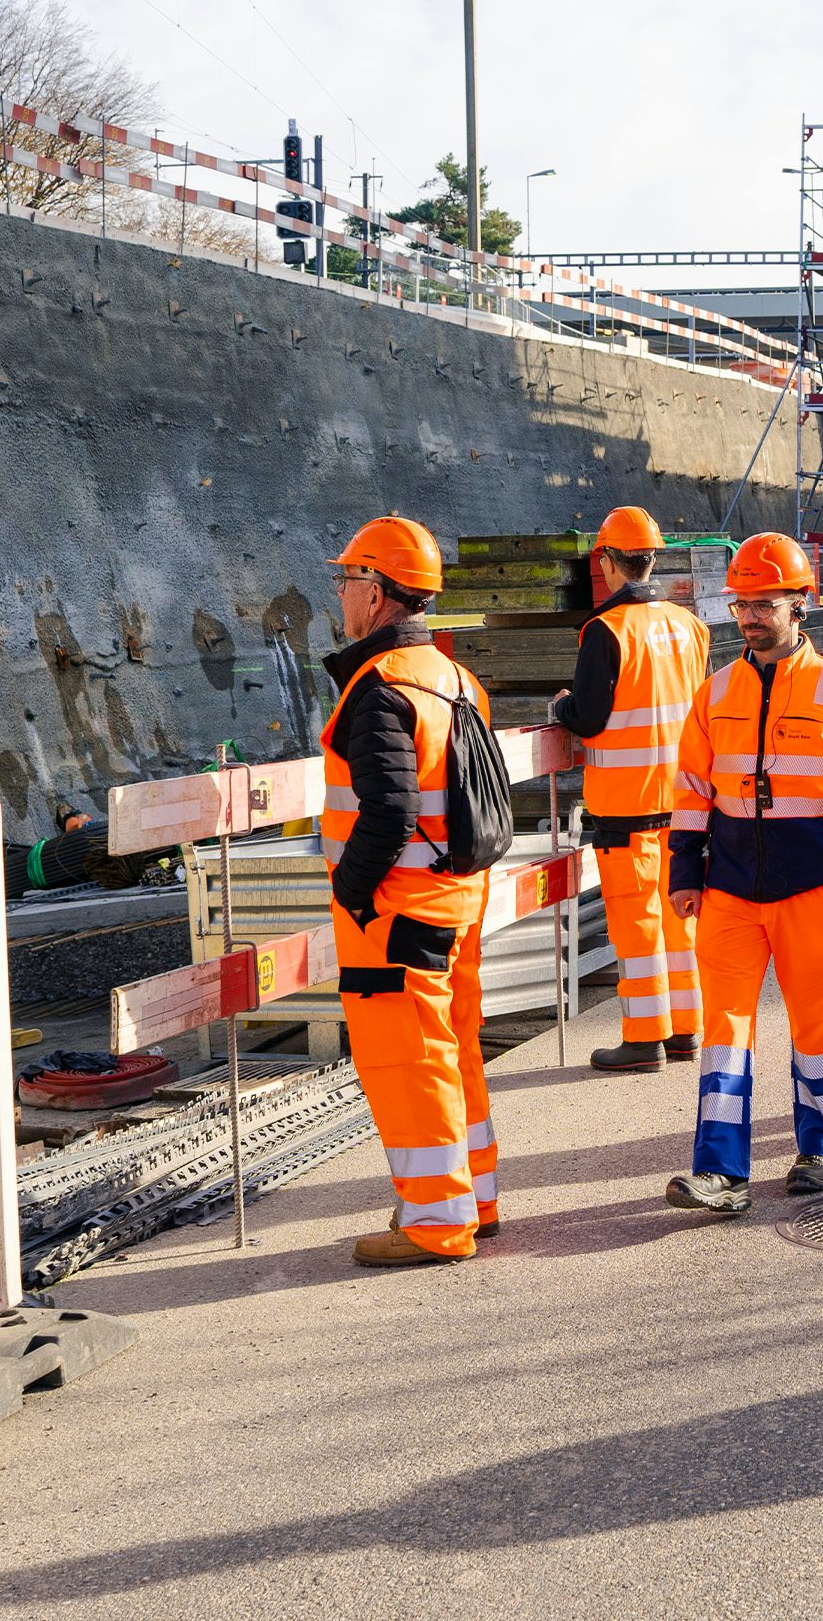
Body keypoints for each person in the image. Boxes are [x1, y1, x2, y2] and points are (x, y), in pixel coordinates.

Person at [663, 534, 823, 1215]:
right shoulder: (716, 693)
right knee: (724, 1033)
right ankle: (721, 1174)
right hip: (730, 892)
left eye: (764, 603)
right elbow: (693, 789)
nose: (750, 616)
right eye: (742, 604)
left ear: (800, 604)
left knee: (819, 1028)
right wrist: (684, 871)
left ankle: (820, 1149)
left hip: (815, 892)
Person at [318, 516, 503, 1268]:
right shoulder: (454, 679)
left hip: (394, 913)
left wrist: (352, 893)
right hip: (455, 901)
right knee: (454, 1052)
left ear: (377, 594)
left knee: (410, 1065)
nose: (339, 593)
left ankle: (435, 1225)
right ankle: (474, 1203)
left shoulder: (379, 688)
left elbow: (388, 811)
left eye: (347, 580)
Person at [549, 507, 711, 1074]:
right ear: (652, 559)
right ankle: (687, 1032)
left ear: (609, 563)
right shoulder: (689, 625)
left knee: (637, 923)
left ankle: (644, 1039)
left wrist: (562, 706)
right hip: (685, 802)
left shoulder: (606, 631)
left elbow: (589, 718)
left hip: (627, 805)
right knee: (680, 918)